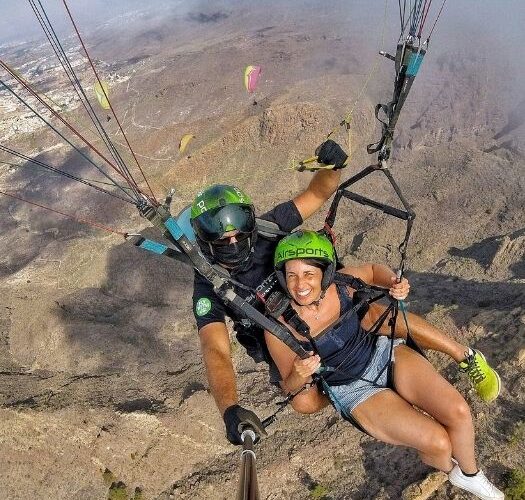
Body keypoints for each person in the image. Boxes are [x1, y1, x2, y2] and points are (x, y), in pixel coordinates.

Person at [189, 141, 501, 446]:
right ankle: (352, 391)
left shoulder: (269, 226)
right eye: (222, 240)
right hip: (288, 341)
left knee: (373, 314)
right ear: (205, 241)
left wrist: (332, 166)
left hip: (324, 302)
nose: (232, 243)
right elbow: (215, 349)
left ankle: (465, 356)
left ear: (250, 223)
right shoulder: (209, 286)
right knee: (304, 402)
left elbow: (317, 193)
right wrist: (229, 408)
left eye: (238, 234)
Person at [264, 231, 504, 500]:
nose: (300, 284)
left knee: (458, 411)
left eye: (309, 274)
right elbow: (289, 387)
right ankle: (452, 469)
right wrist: (298, 374)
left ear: (324, 273)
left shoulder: (341, 285)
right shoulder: (278, 328)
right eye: (292, 275)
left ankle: (471, 476)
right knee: (438, 443)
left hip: (382, 354)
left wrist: (394, 281)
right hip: (353, 390)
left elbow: (375, 271)